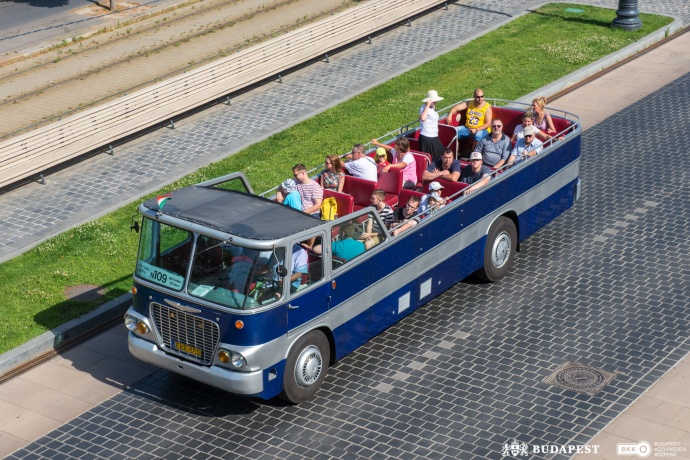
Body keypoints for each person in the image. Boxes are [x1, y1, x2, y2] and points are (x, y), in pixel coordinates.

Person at [418, 90, 445, 161]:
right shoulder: (424, 107)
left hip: (433, 135)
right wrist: (427, 105)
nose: (435, 102)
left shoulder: (432, 108)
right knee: (436, 156)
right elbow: (423, 118)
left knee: (440, 154)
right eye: (433, 101)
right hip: (427, 136)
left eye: (435, 101)